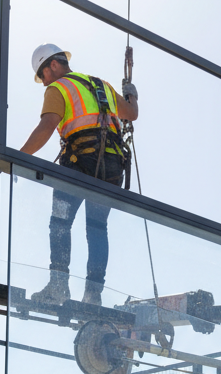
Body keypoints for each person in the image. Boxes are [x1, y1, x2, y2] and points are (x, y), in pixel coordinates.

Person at [20, 44, 140, 307]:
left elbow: (47, 126)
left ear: (53, 65)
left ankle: (58, 286)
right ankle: (93, 295)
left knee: (60, 222)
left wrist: (19, 158)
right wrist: (131, 94)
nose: (44, 83)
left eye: (42, 75)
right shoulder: (102, 86)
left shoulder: (58, 88)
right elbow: (131, 114)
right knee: (97, 228)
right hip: (112, 168)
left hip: (79, 164)